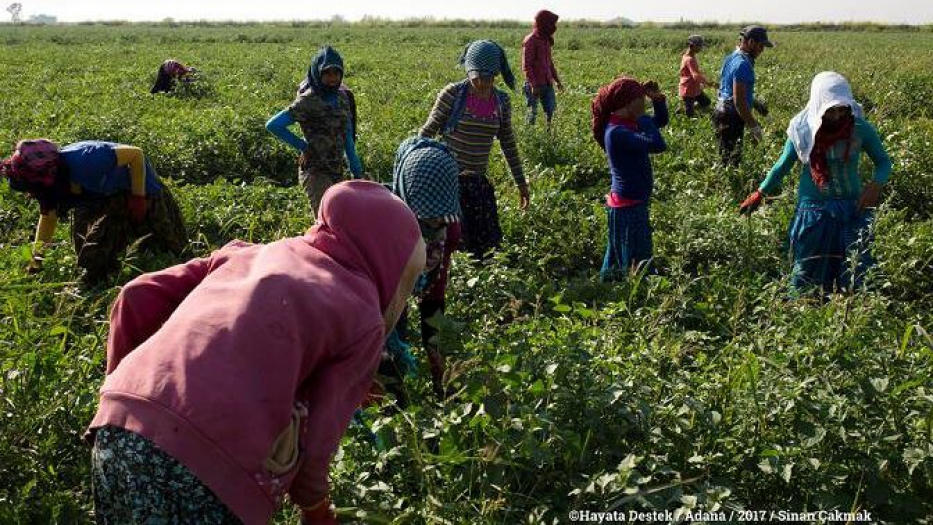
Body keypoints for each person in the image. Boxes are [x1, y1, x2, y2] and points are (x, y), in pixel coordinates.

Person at [85, 180, 425, 525]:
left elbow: (135, 294)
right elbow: (321, 440)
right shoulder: (363, 315)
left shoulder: (247, 252)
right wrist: (315, 506)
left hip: (116, 430)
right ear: (392, 260)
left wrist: (119, 392)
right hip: (210, 468)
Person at [740, 72, 892, 294]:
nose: (838, 116)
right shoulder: (803, 130)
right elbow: (782, 166)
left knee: (856, 270)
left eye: (843, 109)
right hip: (814, 213)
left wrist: (876, 184)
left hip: (852, 209)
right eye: (831, 111)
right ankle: (803, 308)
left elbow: (884, 162)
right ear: (819, 106)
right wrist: (760, 192)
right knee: (808, 270)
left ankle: (850, 309)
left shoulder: (859, 128)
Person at [1, 139, 187, 285]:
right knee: (88, 248)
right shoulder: (48, 187)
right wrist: (36, 261)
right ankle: (103, 276)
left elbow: (136, 154)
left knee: (167, 241)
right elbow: (48, 220)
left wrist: (138, 197)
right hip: (97, 195)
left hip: (138, 184)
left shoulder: (86, 159)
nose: (29, 193)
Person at [420, 39, 529, 260]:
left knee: (485, 248)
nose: (482, 84)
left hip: (477, 183)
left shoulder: (501, 101)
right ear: (469, 72)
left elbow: (508, 143)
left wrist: (521, 183)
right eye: (478, 77)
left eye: (488, 78)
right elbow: (426, 134)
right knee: (450, 244)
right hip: (448, 181)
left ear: (496, 74)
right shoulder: (453, 94)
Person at [384, 137, 462, 400]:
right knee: (392, 348)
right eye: (427, 218)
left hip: (426, 288)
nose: (435, 223)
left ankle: (437, 388)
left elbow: (436, 292)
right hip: (390, 296)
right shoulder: (388, 224)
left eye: (439, 218)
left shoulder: (449, 228)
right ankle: (394, 397)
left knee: (434, 338)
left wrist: (435, 348)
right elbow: (392, 302)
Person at [267, 46, 363, 215]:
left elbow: (347, 134)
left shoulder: (342, 98)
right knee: (326, 219)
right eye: (327, 73)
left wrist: (356, 169)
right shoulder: (309, 100)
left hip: (336, 169)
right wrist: (303, 146)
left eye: (336, 73)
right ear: (318, 73)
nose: (333, 78)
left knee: (341, 218)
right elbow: (274, 125)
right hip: (315, 171)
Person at [591, 77, 669, 281]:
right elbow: (657, 144)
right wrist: (643, 119)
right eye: (640, 98)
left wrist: (657, 100)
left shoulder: (626, 124)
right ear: (627, 103)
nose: (643, 101)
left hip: (632, 203)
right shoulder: (617, 132)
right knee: (637, 258)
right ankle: (628, 294)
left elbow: (661, 121)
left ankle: (608, 288)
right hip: (627, 206)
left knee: (621, 254)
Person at [712, 25, 773, 166]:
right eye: (761, 45)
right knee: (730, 161)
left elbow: (727, 87)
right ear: (751, 42)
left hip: (721, 111)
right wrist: (754, 126)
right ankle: (724, 186)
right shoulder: (743, 64)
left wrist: (754, 103)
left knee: (725, 155)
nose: (762, 50)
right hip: (730, 115)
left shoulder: (731, 57)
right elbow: (738, 101)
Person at [521, 9, 564, 129]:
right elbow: (527, 65)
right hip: (534, 85)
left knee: (551, 112)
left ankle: (549, 137)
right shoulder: (530, 40)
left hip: (547, 83)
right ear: (544, 24)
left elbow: (549, 63)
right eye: (551, 23)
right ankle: (530, 138)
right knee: (532, 114)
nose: (554, 27)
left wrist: (557, 81)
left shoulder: (545, 40)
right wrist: (534, 85)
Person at [679, 35, 714, 118]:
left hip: (694, 88)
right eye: (700, 46)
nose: (701, 48)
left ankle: (685, 108)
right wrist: (708, 83)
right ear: (693, 46)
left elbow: (695, 72)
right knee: (690, 115)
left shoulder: (690, 56)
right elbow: (695, 75)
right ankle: (686, 109)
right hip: (688, 90)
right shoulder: (689, 59)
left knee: (706, 102)